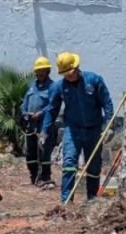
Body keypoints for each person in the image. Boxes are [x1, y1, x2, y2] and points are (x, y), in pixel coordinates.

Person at [41, 52, 114, 205]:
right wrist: (44, 132)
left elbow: (107, 103)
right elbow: (51, 109)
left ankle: (92, 200)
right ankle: (66, 202)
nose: (68, 77)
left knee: (93, 167)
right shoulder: (59, 87)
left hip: (93, 129)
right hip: (72, 130)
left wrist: (109, 126)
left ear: (76, 68)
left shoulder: (94, 80)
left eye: (70, 73)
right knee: (69, 164)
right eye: (65, 74)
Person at [21, 56, 58, 188]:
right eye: (38, 70)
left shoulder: (53, 87)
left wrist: (40, 113)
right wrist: (26, 114)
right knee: (30, 153)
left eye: (43, 70)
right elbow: (24, 104)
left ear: (48, 71)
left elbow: (53, 105)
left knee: (44, 151)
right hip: (31, 125)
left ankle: (45, 177)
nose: (40, 73)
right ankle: (33, 177)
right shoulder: (31, 87)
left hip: (44, 126)